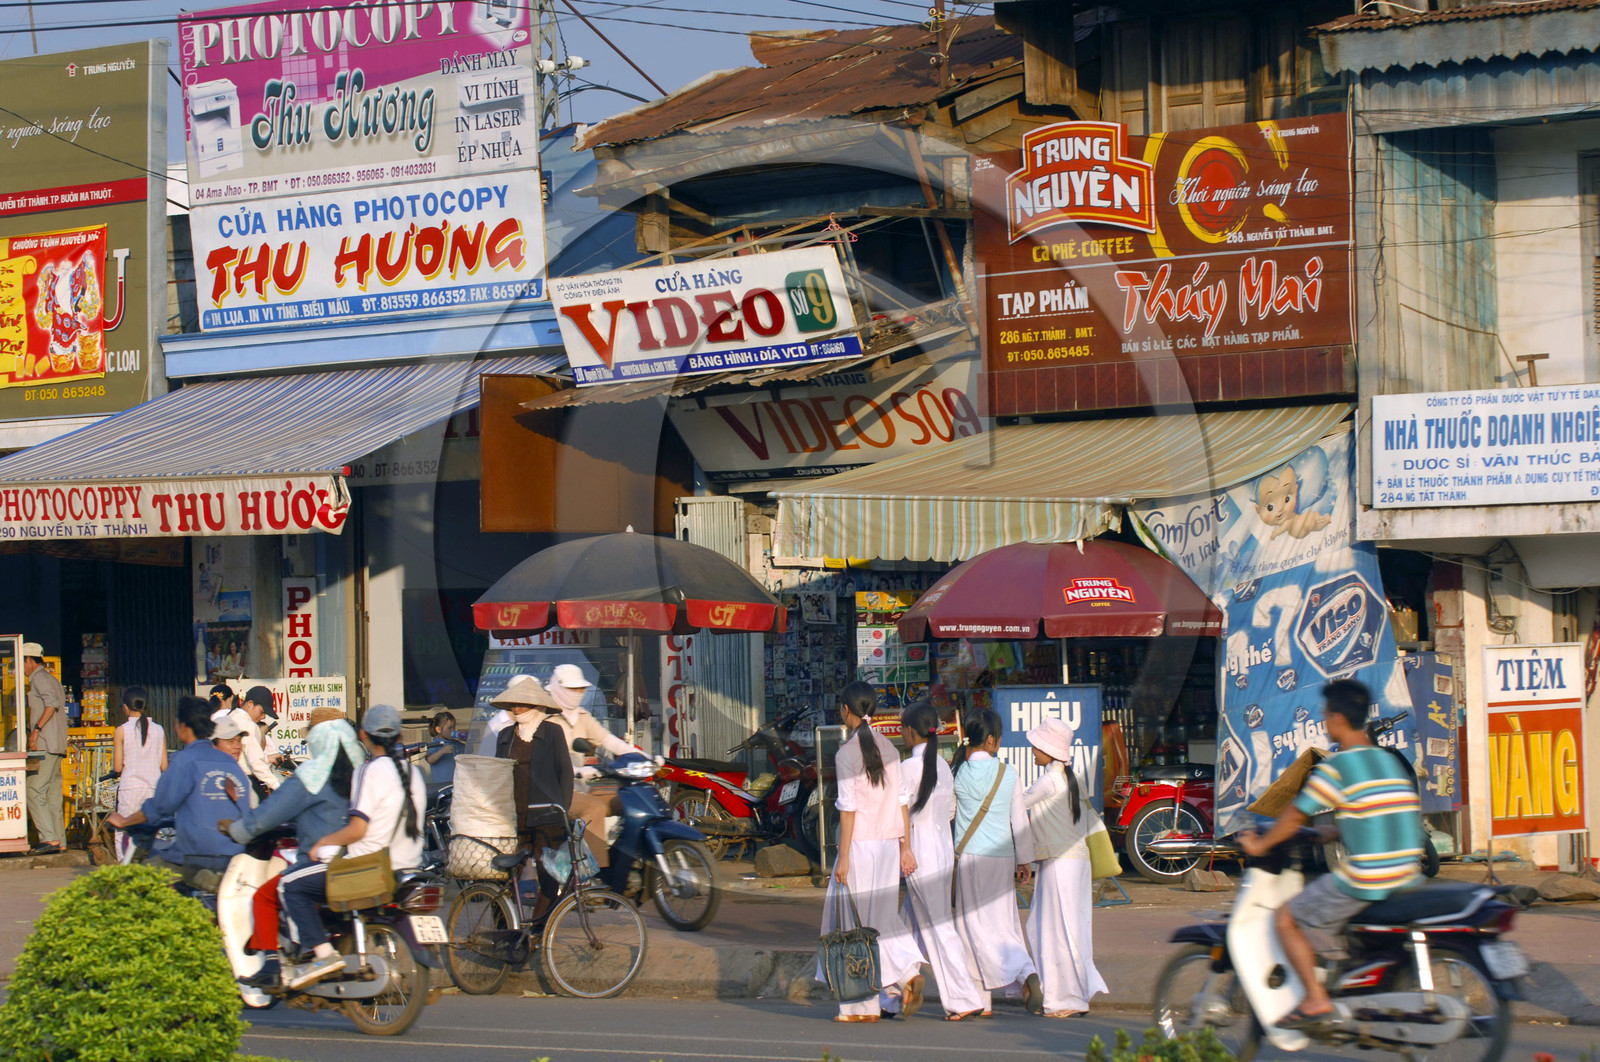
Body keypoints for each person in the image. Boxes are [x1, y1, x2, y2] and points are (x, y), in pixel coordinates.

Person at [1239, 679, 1423, 1028]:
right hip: (1406, 872)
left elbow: (1294, 815)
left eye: (1325, 715)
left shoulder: (1337, 766)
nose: (1324, 722)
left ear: (1337, 718)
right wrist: (1337, 830)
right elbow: (1380, 811)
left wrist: (1260, 844)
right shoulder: (1388, 761)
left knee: (1286, 918)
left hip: (1369, 876)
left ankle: (1316, 999)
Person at [279, 705, 426, 989]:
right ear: (399, 737)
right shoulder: (415, 773)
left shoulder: (369, 772)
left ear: (363, 735)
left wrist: (324, 841)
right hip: (408, 866)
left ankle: (320, 954)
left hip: (368, 869)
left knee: (290, 883)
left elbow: (358, 829)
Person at [221, 705, 363, 989]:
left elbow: (270, 813)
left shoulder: (313, 775)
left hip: (321, 864)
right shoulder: (362, 772)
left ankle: (274, 964)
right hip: (362, 862)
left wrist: (236, 829)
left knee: (265, 896)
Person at [817, 681, 924, 1023]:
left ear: (846, 711)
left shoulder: (846, 754)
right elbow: (903, 803)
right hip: (889, 846)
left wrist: (843, 857)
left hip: (860, 846)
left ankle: (859, 1006)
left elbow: (847, 810)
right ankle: (906, 970)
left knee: (854, 925)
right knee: (879, 921)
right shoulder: (890, 749)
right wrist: (905, 846)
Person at [898, 701, 987, 1021]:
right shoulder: (944, 767)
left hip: (917, 852)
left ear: (909, 731)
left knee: (938, 927)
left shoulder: (907, 769)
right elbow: (950, 812)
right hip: (940, 849)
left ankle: (964, 997)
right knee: (904, 924)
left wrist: (904, 849)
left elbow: (900, 813)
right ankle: (896, 989)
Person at [951, 708, 1043, 1016]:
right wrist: (1025, 860)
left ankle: (1013, 976)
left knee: (972, 928)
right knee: (1003, 924)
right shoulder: (1009, 773)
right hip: (1003, 859)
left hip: (971, 859)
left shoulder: (959, 773)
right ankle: (987, 996)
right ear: (991, 741)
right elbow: (1020, 820)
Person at [106, 696, 250, 890]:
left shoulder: (185, 760)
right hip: (235, 856)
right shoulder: (232, 765)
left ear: (183, 727)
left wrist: (124, 821)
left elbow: (158, 808)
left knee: (137, 882)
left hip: (196, 856)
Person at [1022, 718, 1107, 1018]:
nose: (1032, 749)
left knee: (1056, 931)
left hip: (1059, 863)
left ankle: (1066, 999)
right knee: (1072, 930)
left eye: (1036, 745)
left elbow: (1018, 805)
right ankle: (1069, 995)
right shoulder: (1073, 779)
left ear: (1048, 749)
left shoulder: (1048, 781)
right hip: (1076, 862)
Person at [492, 677, 575, 919]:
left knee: (548, 877)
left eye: (522, 704)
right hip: (514, 816)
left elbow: (565, 773)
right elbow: (498, 772)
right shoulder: (506, 735)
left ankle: (540, 928)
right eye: (514, 705)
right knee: (506, 875)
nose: (516, 709)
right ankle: (504, 929)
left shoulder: (552, 732)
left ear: (536, 706)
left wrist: (562, 809)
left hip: (547, 816)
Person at [546, 663, 639, 873]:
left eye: (581, 689)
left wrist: (643, 756)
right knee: (594, 808)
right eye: (572, 689)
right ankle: (594, 872)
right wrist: (576, 771)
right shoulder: (546, 719)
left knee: (631, 801)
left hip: (582, 787)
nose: (578, 693)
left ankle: (624, 861)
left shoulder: (581, 717)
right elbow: (551, 759)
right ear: (559, 688)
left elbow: (609, 740)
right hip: (558, 792)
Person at [22, 643, 68, 855]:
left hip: (46, 745)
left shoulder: (39, 678)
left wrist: (36, 729)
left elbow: (51, 704)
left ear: (30, 661)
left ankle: (48, 839)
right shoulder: (53, 679)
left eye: (22, 662)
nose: (22, 667)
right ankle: (60, 840)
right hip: (57, 745)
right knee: (52, 795)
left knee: (33, 790)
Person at [111, 686, 167, 862]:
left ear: (125, 707)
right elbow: (164, 766)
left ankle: (125, 867)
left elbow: (118, 767)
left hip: (130, 788)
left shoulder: (122, 730)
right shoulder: (159, 730)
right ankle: (153, 867)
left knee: (124, 831)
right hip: (154, 788)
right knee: (155, 830)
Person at [424, 710, 464, 795]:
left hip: (457, 786)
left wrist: (466, 740)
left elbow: (469, 751)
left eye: (454, 728)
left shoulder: (455, 743)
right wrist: (441, 752)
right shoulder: (435, 744)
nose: (452, 731)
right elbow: (430, 759)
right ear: (438, 729)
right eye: (449, 728)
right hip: (442, 787)